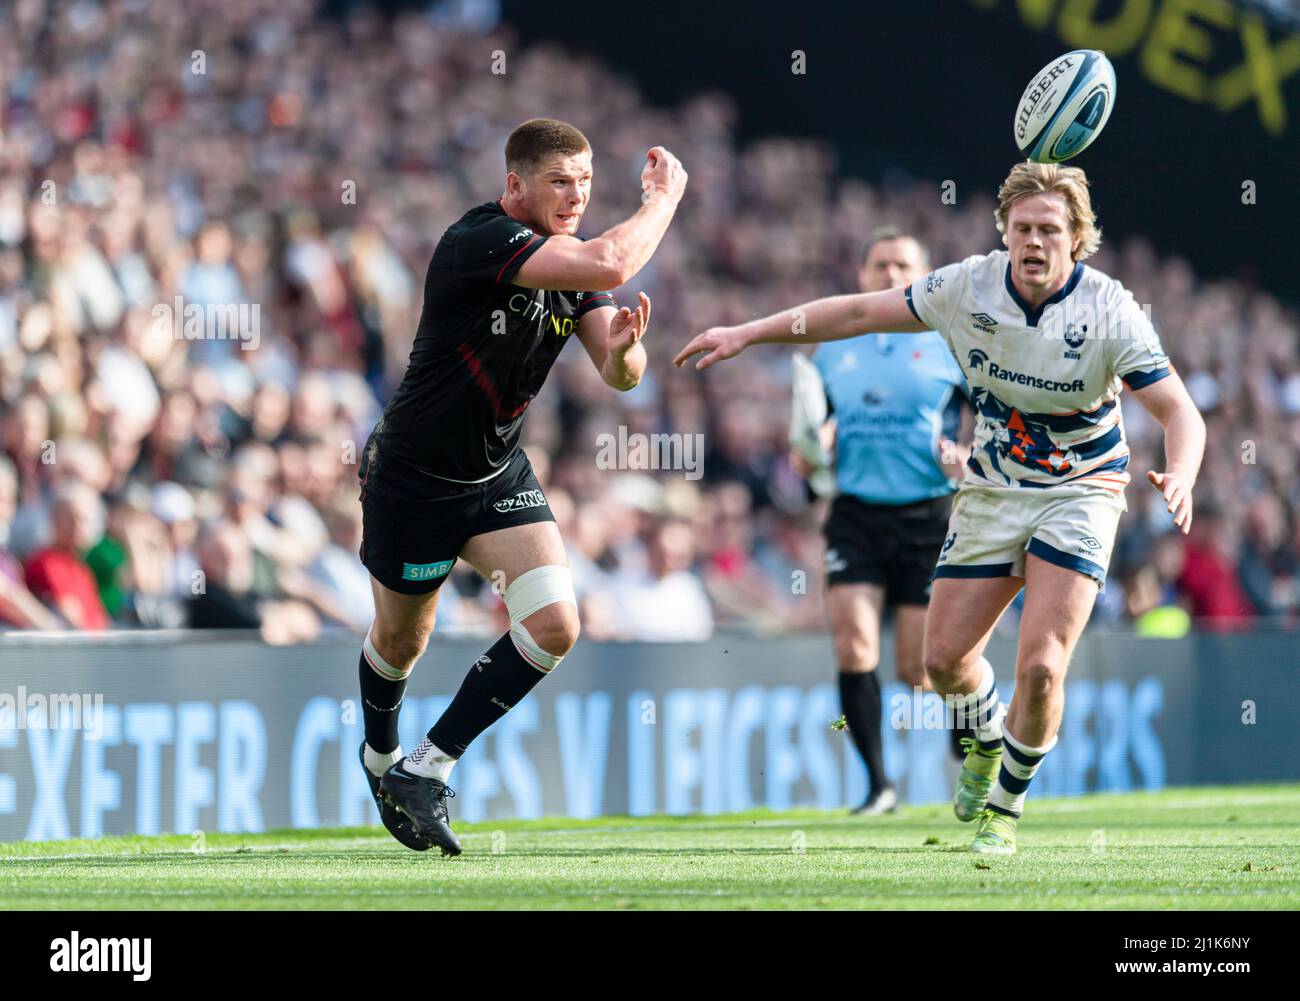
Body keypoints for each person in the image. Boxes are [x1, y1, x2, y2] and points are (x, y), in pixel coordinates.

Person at [676, 161, 1205, 853]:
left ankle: (1004, 808)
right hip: (992, 487)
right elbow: (860, 311)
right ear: (1004, 232)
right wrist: (749, 331)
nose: (1034, 242)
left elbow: (1178, 410)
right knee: (945, 662)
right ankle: (986, 737)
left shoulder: (1110, 309)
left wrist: (1183, 472)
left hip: (1082, 488)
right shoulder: (968, 286)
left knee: (1042, 665)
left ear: (1078, 237)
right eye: (1022, 228)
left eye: (1050, 229)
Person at [356, 118, 687, 854]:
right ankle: (379, 753)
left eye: (586, 182)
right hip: (415, 475)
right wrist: (662, 201)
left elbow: (618, 372)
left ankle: (426, 765)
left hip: (496, 470)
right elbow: (608, 263)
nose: (576, 196)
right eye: (559, 182)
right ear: (515, 186)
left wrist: (629, 350)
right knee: (403, 639)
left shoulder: (568, 262)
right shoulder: (480, 241)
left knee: (556, 625)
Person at [789, 227, 972, 816]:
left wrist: (968, 455)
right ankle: (877, 785)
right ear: (862, 275)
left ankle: (964, 726)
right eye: (879, 265)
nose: (891, 275)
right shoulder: (834, 348)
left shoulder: (952, 341)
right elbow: (819, 428)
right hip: (856, 515)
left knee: (921, 669)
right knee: (853, 642)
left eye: (903, 265)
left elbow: (995, 415)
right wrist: (812, 446)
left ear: (924, 276)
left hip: (928, 517)